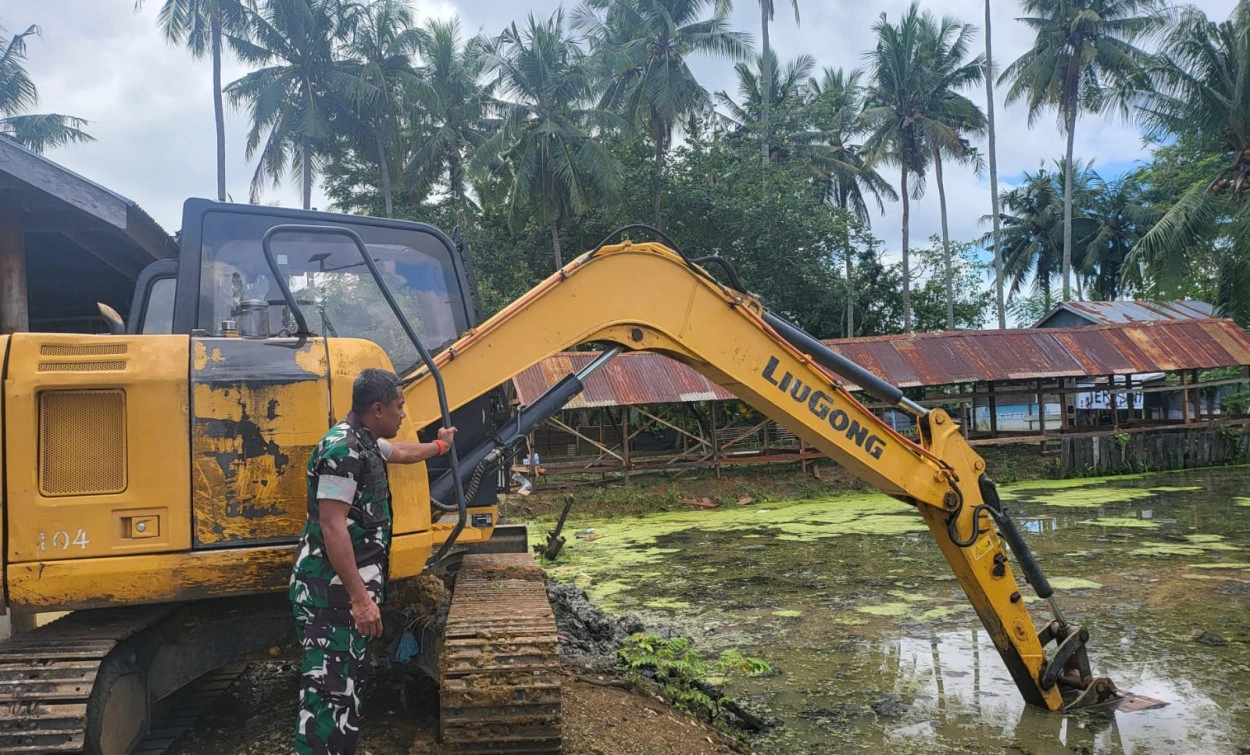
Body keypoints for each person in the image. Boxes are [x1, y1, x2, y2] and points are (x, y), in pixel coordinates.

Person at [289, 367, 456, 754]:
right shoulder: (342, 452)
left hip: (344, 594)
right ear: (377, 409)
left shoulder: (365, 441)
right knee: (328, 695)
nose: (403, 414)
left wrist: (439, 447)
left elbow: (400, 452)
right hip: (330, 595)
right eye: (400, 407)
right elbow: (333, 527)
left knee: (346, 688)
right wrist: (360, 599)